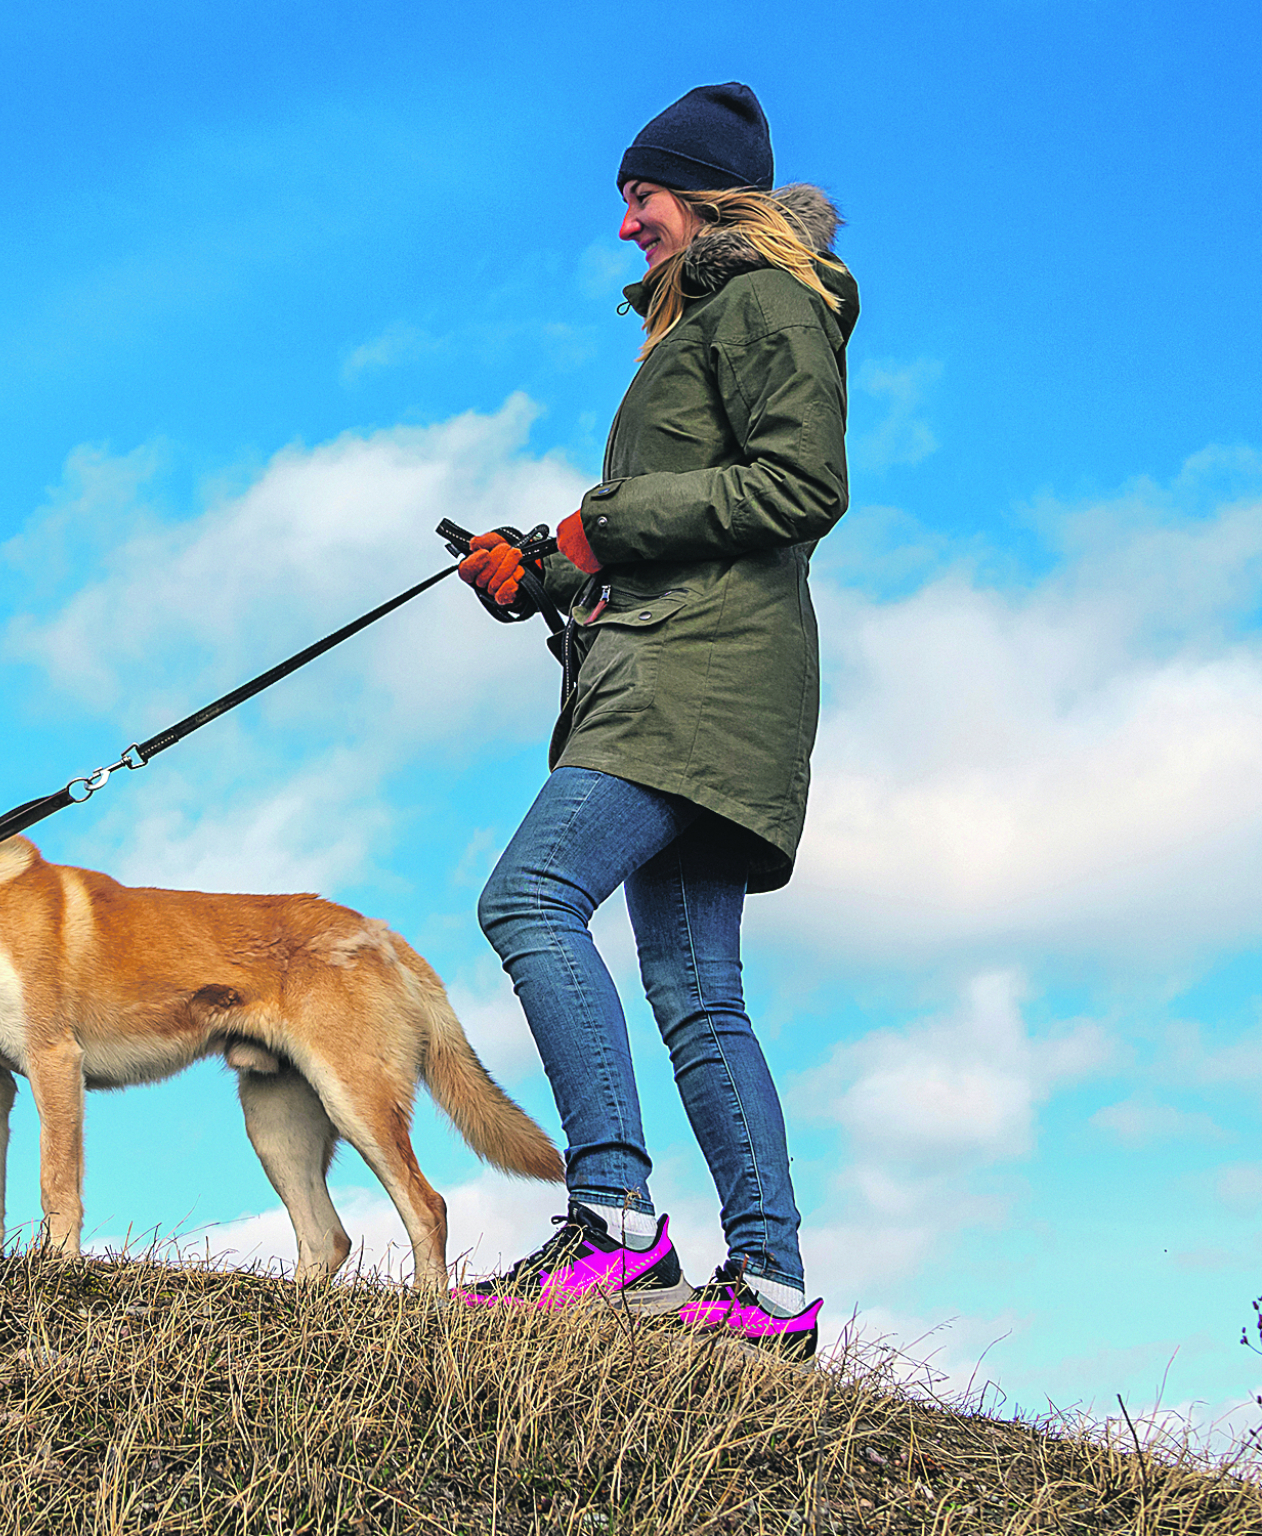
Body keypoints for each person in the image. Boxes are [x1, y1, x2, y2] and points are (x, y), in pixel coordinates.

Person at [451, 82, 858, 1358]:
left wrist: (601, 525)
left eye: (641, 196)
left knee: (527, 899)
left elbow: (799, 484)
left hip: (699, 684)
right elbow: (668, 531)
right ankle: (770, 1289)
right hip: (676, 668)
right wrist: (546, 574)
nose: (628, 224)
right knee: (692, 982)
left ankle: (617, 1224)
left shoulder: (769, 303)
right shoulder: (703, 321)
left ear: (703, 193)